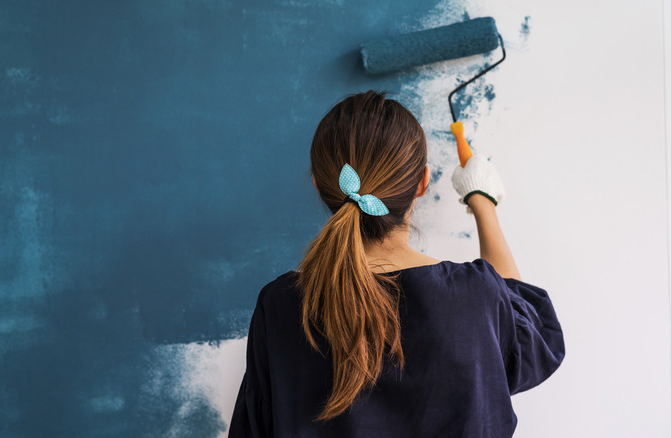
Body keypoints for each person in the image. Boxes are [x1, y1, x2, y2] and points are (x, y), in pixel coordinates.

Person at [228, 90, 565, 437]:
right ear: (422, 182)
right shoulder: (473, 296)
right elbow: (533, 340)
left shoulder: (280, 306)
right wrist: (483, 201)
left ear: (318, 185)